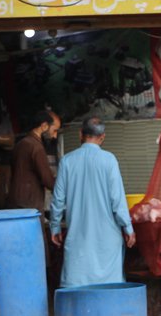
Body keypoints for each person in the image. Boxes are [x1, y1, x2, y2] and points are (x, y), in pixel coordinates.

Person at [49, 116, 135, 288]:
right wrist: (128, 227)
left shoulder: (67, 161)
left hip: (77, 237)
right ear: (102, 137)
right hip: (107, 239)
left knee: (77, 287)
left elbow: (57, 200)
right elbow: (117, 200)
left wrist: (55, 227)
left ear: (81, 134)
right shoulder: (109, 160)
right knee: (109, 289)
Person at [7, 109, 59, 212]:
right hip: (29, 205)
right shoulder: (36, 147)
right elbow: (47, 179)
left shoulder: (20, 144)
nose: (55, 136)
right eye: (54, 130)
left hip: (15, 202)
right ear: (44, 125)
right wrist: (64, 190)